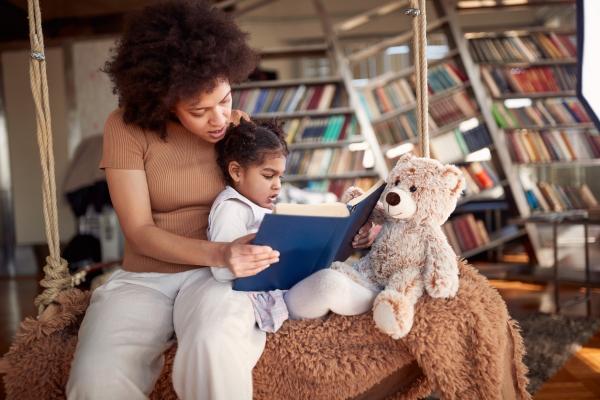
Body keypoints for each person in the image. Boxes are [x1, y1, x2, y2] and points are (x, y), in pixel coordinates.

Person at [66, 1, 375, 399]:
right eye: (199, 110)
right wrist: (221, 252)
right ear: (163, 101)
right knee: (96, 375)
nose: (219, 119)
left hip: (217, 277)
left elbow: (266, 195)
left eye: (225, 100)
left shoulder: (236, 125)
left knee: (215, 344)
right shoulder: (125, 127)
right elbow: (140, 232)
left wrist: (345, 228)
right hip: (147, 276)